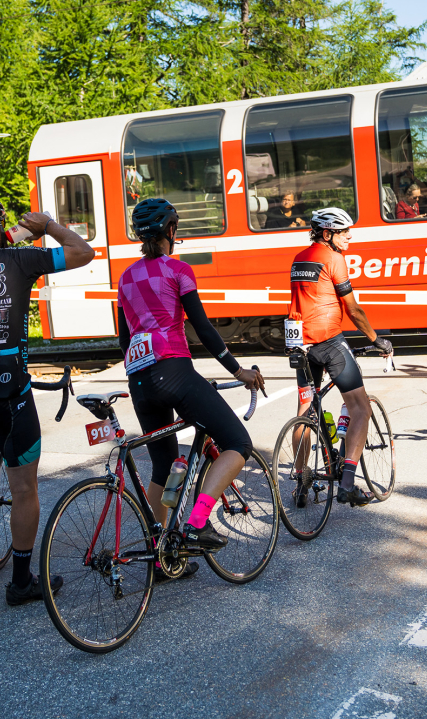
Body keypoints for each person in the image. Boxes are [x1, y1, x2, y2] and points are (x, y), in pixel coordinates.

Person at [117, 197, 264, 581]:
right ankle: (197, 522)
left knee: (163, 466)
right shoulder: (178, 269)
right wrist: (238, 370)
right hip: (175, 372)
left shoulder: (126, 277)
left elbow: (123, 338)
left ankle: (162, 555)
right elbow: (202, 326)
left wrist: (141, 373)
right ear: (171, 231)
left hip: (139, 380)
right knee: (237, 443)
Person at [0, 208, 94, 605]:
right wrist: (48, 227)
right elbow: (82, 253)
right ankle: (22, 583)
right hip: (11, 394)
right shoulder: (20, 260)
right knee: (23, 489)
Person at [288, 207, 393, 507]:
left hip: (299, 344)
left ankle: (301, 481)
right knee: (360, 408)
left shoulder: (299, 259)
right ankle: (347, 484)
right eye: (344, 231)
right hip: (328, 341)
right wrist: (377, 340)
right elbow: (352, 309)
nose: (349, 236)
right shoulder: (333, 258)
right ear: (327, 234)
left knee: (305, 412)